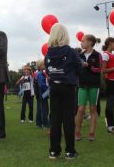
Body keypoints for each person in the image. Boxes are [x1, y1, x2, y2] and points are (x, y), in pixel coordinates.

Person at [44, 23, 82, 160]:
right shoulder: (71, 51)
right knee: (68, 120)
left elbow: (47, 69)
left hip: (54, 87)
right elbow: (79, 68)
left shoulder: (49, 52)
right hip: (67, 87)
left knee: (55, 119)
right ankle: (70, 151)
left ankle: (54, 151)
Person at [75, 34, 102, 141]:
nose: (81, 43)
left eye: (83, 41)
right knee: (80, 109)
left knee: (92, 109)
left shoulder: (97, 55)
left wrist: (89, 66)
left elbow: (99, 70)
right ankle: (77, 132)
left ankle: (91, 133)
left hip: (94, 86)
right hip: (82, 85)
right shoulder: (79, 55)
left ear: (90, 42)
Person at [35, 60, 50, 128]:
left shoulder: (40, 73)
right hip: (43, 93)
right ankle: (45, 123)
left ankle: (39, 123)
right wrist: (48, 88)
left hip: (42, 93)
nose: (45, 66)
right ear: (40, 66)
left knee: (41, 108)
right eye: (43, 65)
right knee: (44, 108)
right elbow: (41, 84)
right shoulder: (40, 74)